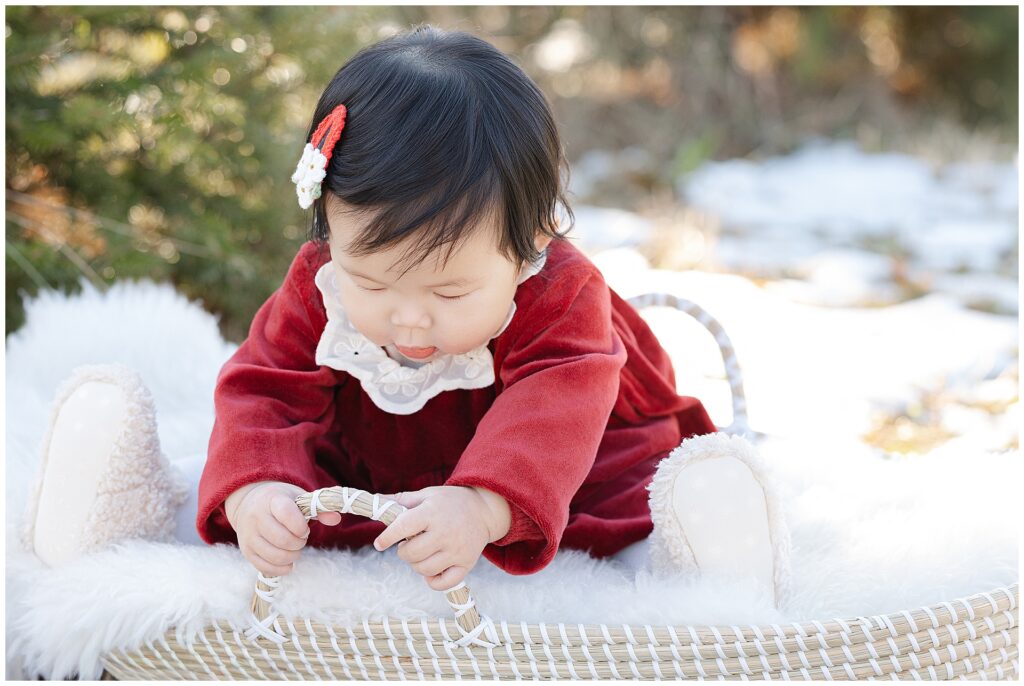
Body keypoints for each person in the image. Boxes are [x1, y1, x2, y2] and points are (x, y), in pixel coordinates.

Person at [23, 25, 789, 606]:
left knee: (631, 510)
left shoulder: (561, 291)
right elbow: (265, 387)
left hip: (568, 472)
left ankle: (705, 554)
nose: (408, 323)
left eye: (451, 293)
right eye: (372, 280)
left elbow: (559, 400)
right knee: (260, 496)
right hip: (374, 470)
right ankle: (121, 508)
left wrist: (486, 504)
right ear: (329, 230)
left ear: (533, 242)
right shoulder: (322, 285)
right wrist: (259, 490)